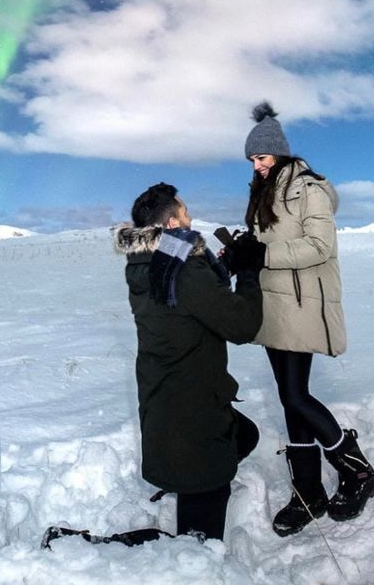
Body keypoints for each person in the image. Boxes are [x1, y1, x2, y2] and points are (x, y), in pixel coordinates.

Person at [241, 102, 374, 537]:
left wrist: (263, 253)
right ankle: (308, 491)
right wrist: (244, 253)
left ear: (279, 153)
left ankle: (357, 471)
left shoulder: (309, 189)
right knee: (288, 398)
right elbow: (268, 241)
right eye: (252, 160)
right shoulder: (264, 191)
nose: (257, 166)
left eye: (262, 157)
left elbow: (319, 246)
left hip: (302, 305)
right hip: (273, 307)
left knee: (297, 396)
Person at [113, 181, 264, 542]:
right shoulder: (180, 270)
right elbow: (241, 325)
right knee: (200, 542)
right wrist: (249, 273)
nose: (191, 216)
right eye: (184, 211)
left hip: (169, 394)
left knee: (245, 435)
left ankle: (188, 484)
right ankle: (179, 547)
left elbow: (190, 299)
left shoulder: (152, 263)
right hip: (190, 405)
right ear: (170, 226)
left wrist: (226, 263)